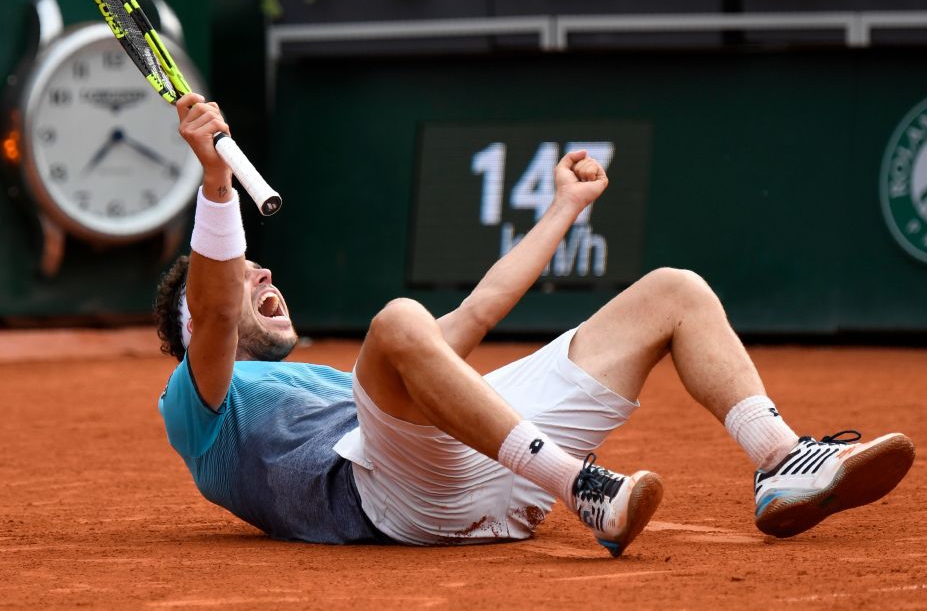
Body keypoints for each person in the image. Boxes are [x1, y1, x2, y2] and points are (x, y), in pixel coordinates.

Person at [155, 93, 916, 556]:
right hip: (397, 501)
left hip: (478, 470)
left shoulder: (317, 383)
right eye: (244, 269)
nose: (264, 274)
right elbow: (218, 303)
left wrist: (563, 208)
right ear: (191, 322)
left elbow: (477, 312)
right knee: (394, 321)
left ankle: (779, 463)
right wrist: (215, 181)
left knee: (671, 291)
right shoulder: (198, 405)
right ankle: (579, 487)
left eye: (261, 267)